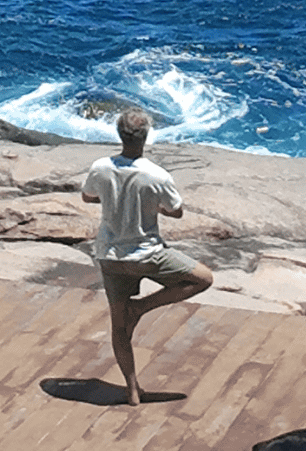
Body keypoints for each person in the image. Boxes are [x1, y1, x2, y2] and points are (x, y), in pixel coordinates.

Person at [79, 108, 213, 404]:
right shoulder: (156, 175)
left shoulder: (101, 167)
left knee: (118, 327)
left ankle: (132, 390)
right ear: (147, 136)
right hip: (148, 254)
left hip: (110, 256)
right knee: (203, 278)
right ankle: (141, 308)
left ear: (119, 134)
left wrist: (114, 197)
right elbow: (176, 211)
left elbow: (87, 196)